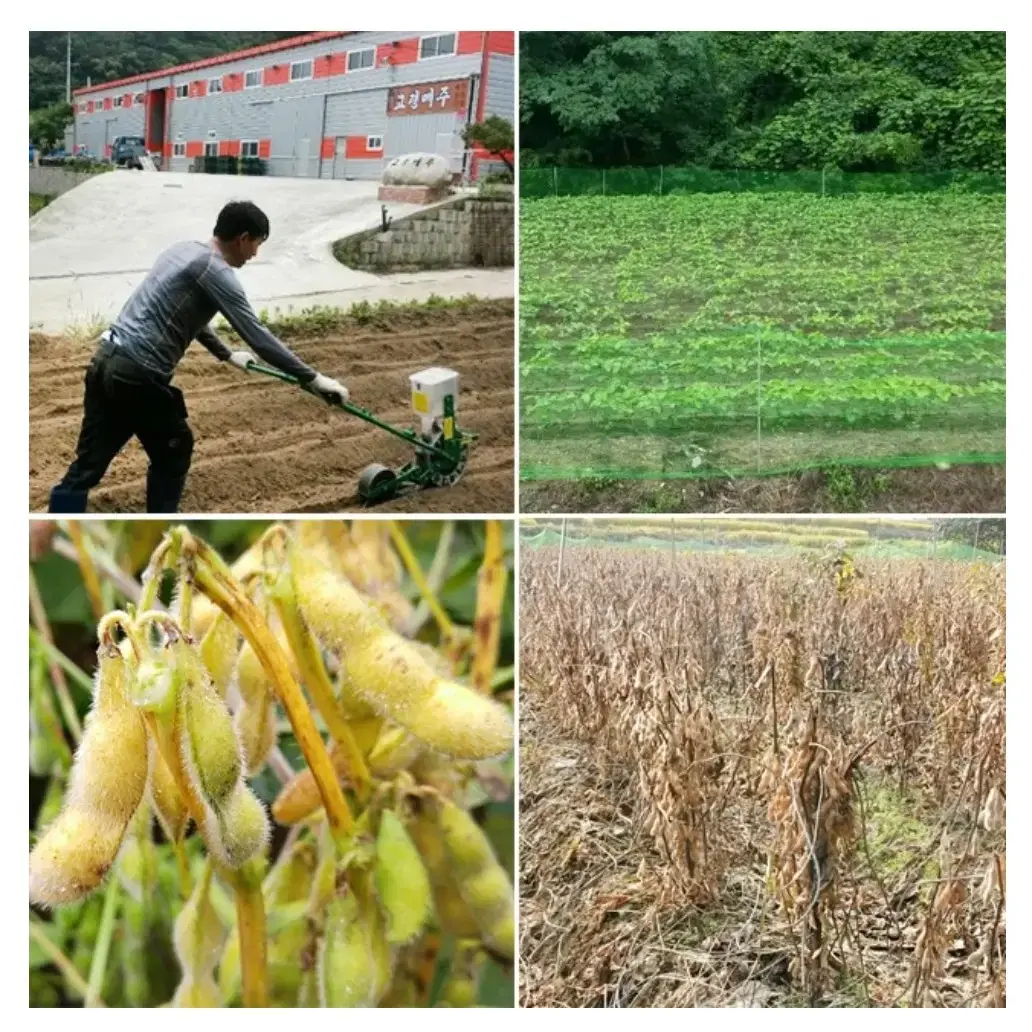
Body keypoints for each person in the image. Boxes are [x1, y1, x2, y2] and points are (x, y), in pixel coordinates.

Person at [47, 200, 349, 513]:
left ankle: (49, 539)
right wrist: (313, 378)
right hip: (138, 374)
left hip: (106, 360)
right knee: (174, 452)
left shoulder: (184, 251)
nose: (255, 254)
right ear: (243, 238)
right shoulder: (215, 270)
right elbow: (256, 335)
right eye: (257, 244)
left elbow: (190, 316)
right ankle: (163, 530)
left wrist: (227, 354)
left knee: (88, 466)